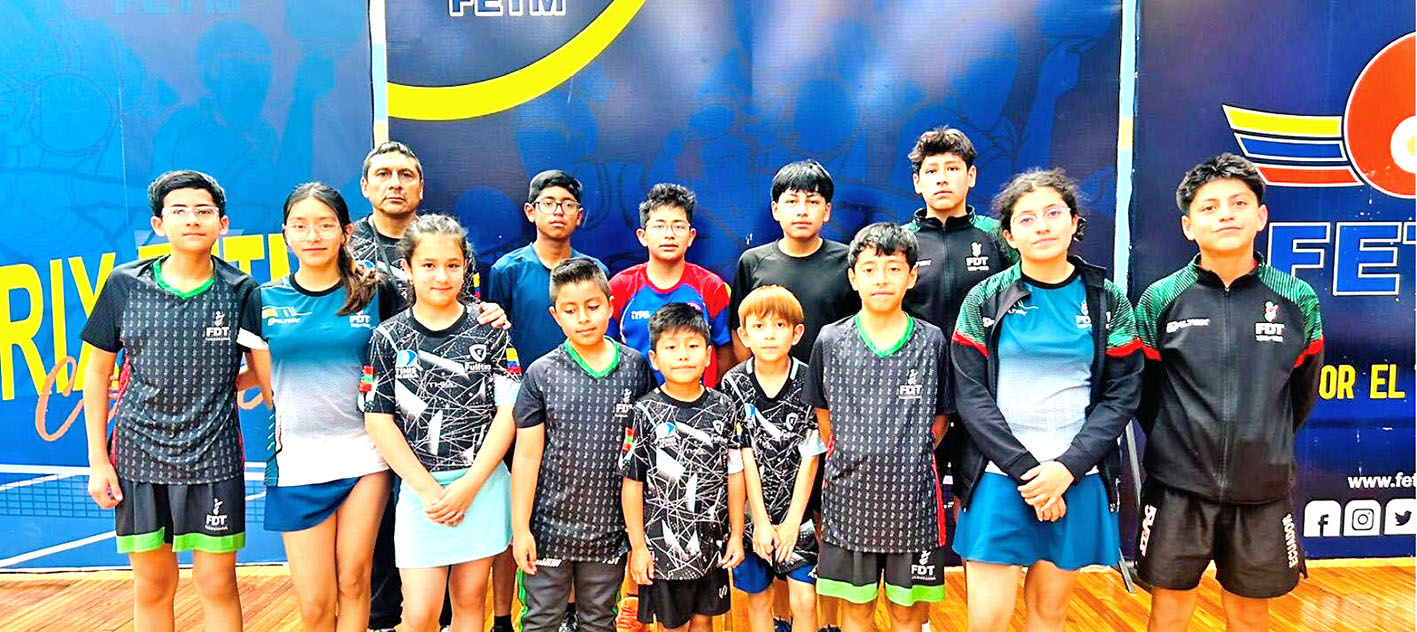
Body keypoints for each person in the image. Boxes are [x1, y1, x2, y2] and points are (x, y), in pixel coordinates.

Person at [1135, 154, 1324, 632]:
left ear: (1260, 217)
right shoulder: (1160, 299)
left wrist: (1262, 443)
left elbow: (1301, 394)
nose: (1225, 215)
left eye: (1239, 203)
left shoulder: (1297, 298)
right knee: (1169, 612)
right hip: (1177, 489)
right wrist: (1179, 445)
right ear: (1188, 226)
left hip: (1262, 488)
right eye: (1210, 207)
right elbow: (1145, 393)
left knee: (1249, 614)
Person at [949, 169, 1143, 632]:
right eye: (1027, 218)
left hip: (1075, 476)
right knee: (987, 621)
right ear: (1008, 235)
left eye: (1054, 213)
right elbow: (970, 395)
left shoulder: (1107, 299)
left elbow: (1121, 394)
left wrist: (1065, 469)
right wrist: (1028, 474)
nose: (1042, 226)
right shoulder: (984, 298)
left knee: (1049, 615)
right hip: (998, 476)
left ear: (1074, 222)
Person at [81, 170, 271, 632]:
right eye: (179, 211)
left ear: (222, 224)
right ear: (158, 224)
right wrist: (98, 462)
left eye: (203, 211)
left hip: (214, 459)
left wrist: (223, 382)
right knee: (152, 585)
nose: (192, 220)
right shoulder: (124, 285)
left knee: (217, 584)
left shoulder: (242, 290)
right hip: (137, 459)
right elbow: (97, 373)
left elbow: (264, 372)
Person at [351, 140, 508, 632]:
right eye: (428, 265)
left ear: (466, 269)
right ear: (407, 268)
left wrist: (470, 485)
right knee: (418, 615)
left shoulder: (491, 329)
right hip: (421, 491)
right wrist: (426, 490)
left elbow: (507, 411)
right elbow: (377, 417)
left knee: (469, 604)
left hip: (481, 486)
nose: (441, 275)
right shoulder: (386, 337)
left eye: (452, 266)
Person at [255, 183, 400, 631]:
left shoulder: (376, 293)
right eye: (300, 226)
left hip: (365, 455)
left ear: (346, 232)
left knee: (354, 581)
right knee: (316, 604)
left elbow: (424, 329)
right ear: (285, 234)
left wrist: (488, 314)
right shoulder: (262, 299)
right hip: (297, 463)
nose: (313, 235)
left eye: (324, 224)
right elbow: (266, 386)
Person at [803, 223, 950, 632]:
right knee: (856, 612)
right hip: (849, 502)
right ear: (853, 277)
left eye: (893, 268)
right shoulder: (830, 341)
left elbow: (942, 415)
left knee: (907, 614)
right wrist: (852, 450)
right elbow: (823, 414)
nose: (881, 279)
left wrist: (912, 452)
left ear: (912, 276)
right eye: (869, 269)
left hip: (913, 504)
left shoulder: (932, 341)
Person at [511, 258, 655, 632]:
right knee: (541, 620)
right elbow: (526, 456)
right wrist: (521, 528)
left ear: (610, 305)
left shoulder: (635, 368)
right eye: (570, 310)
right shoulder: (541, 373)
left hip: (609, 531)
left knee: (599, 621)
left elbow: (643, 458)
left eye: (593, 306)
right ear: (555, 315)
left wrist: (637, 535)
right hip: (548, 530)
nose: (584, 318)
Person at [900, 127, 1016, 509]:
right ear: (917, 182)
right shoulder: (901, 242)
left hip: (987, 391)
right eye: (931, 171)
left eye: (952, 168)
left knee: (980, 501)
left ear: (971, 176)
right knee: (916, 501)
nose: (942, 178)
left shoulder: (999, 237)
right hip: (919, 393)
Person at [621, 303, 746, 632]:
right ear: (654, 358)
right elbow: (632, 483)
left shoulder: (724, 407)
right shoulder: (644, 411)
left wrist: (736, 534)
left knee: (704, 621)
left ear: (708, 355)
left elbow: (735, 475)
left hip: (712, 545)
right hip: (663, 549)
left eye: (692, 346)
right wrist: (638, 547)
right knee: (673, 625)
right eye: (671, 347)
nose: (683, 356)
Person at [721, 286, 824, 632]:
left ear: (796, 333)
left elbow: (811, 456)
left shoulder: (809, 379)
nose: (769, 335)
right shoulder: (734, 383)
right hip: (752, 516)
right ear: (744, 335)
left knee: (804, 600)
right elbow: (743, 456)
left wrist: (793, 521)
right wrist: (761, 523)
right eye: (759, 326)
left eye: (779, 326)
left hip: (799, 515)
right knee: (759, 598)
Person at [728, 160, 858, 364]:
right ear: (775, 210)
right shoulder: (753, 262)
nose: (802, 211)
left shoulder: (848, 261)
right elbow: (739, 330)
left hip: (831, 378)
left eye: (812, 202)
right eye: (792, 201)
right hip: (770, 380)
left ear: (826, 211)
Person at [609, 184, 734, 387]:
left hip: (697, 402)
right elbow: (605, 348)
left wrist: (710, 393)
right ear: (642, 236)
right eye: (659, 226)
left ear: (691, 236)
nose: (669, 234)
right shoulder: (620, 287)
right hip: (636, 401)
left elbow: (725, 350)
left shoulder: (711, 287)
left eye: (678, 226)